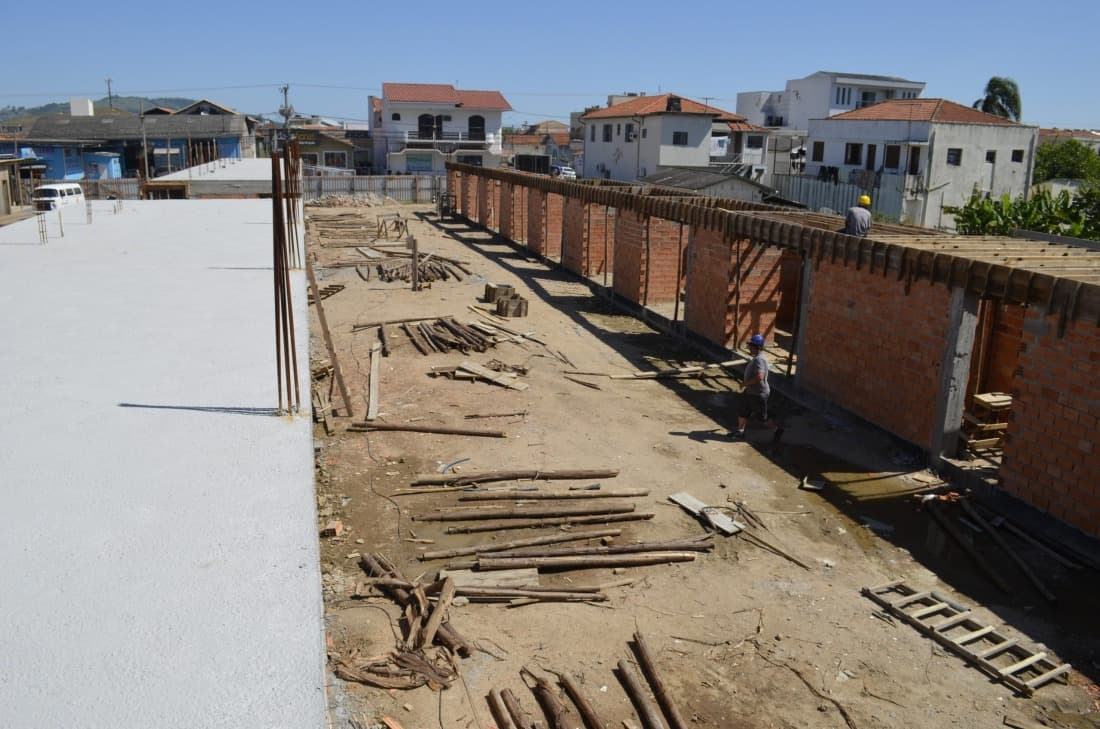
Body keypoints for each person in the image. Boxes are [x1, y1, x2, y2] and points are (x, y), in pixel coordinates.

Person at [732, 334, 783, 442]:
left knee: (762, 418)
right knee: (743, 410)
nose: (749, 347)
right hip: (751, 391)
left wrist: (745, 383)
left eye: (751, 346)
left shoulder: (759, 359)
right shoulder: (757, 357)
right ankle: (740, 432)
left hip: (758, 394)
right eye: (750, 345)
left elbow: (760, 377)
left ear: (758, 347)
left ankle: (777, 429)